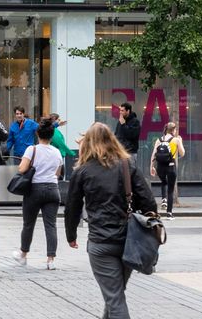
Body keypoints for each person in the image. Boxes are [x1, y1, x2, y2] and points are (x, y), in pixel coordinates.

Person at [64, 122, 159, 319]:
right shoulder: (127, 165)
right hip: (128, 242)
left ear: (88, 142)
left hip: (100, 243)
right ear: (112, 140)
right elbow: (149, 201)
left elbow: (72, 207)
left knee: (114, 298)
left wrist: (71, 235)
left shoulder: (82, 171)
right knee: (115, 295)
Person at [16, 118, 65, 269]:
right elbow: (58, 173)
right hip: (52, 189)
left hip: (34, 190)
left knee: (28, 224)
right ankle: (50, 260)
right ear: (51, 135)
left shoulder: (32, 149)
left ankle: (23, 255)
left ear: (38, 134)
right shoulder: (57, 152)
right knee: (51, 225)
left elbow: (22, 169)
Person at [148, 120, 184, 217]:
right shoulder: (176, 140)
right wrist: (180, 141)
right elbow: (182, 153)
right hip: (171, 167)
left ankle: (164, 199)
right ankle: (169, 213)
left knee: (164, 182)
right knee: (171, 190)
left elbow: (153, 154)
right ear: (173, 130)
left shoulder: (159, 140)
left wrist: (151, 167)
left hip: (160, 167)